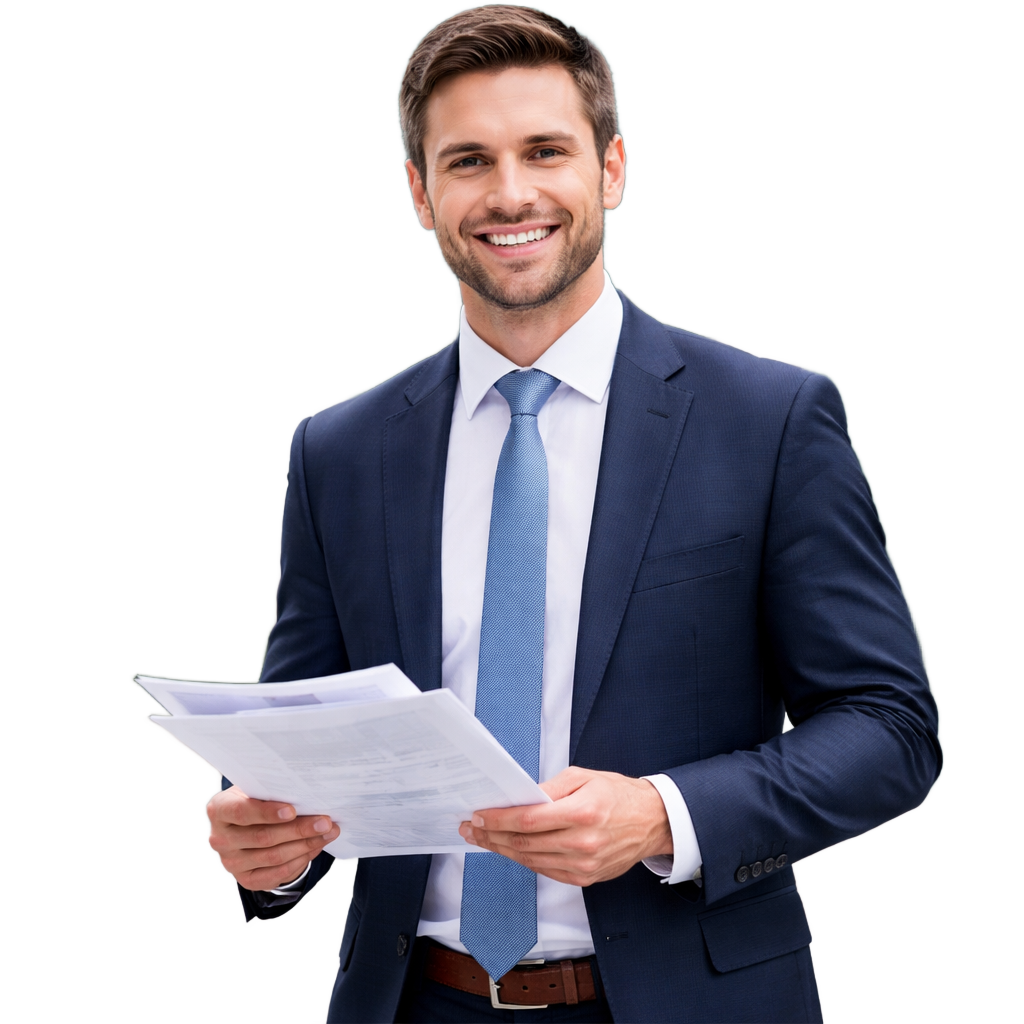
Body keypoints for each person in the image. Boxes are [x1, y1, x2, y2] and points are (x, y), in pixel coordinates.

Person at [203, 7, 942, 1022]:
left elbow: (889, 728)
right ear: (420, 192)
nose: (510, 194)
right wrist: (269, 851)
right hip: (413, 999)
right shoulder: (338, 450)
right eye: (467, 161)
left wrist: (661, 815)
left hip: (694, 1001)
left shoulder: (768, 416)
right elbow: (310, 743)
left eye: (544, 151)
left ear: (610, 169)